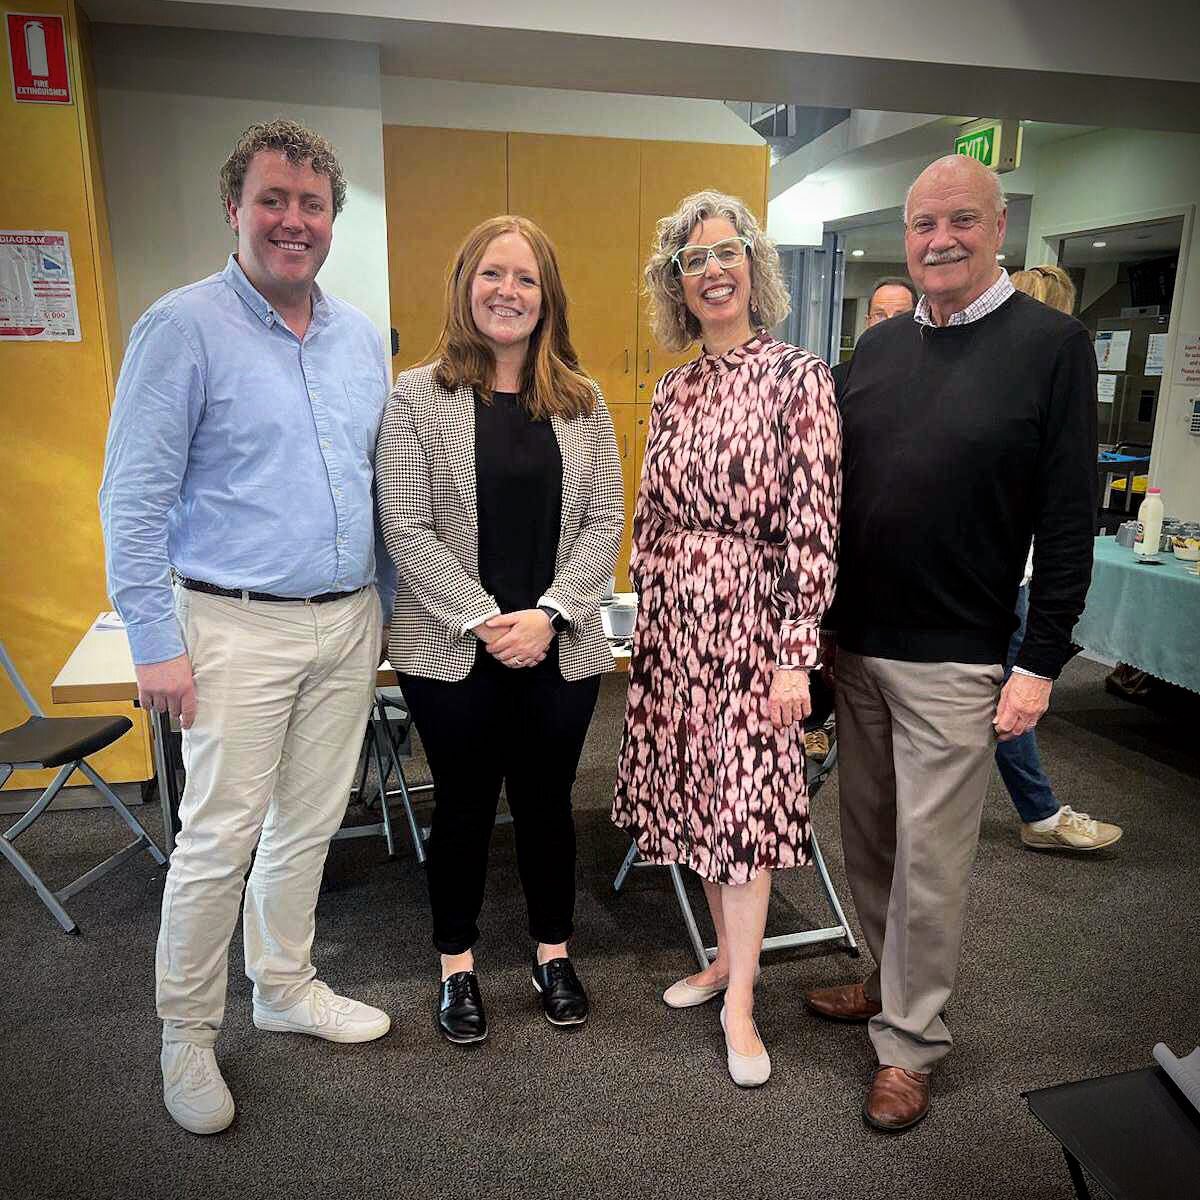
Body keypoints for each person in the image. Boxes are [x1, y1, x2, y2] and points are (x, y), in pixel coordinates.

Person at [99, 119, 395, 1136]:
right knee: (217, 838)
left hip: (347, 621)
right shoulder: (180, 328)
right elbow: (131, 501)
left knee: (308, 824)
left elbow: (376, 487)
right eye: (273, 200)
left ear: (331, 219)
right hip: (231, 626)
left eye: (312, 205)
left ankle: (283, 984)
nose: (293, 221)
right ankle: (185, 1037)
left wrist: (387, 611)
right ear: (235, 209)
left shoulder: (360, 336)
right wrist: (154, 640)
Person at [806, 155, 1097, 1131]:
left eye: (961, 221)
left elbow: (1066, 521)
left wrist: (1041, 662)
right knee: (872, 840)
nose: (941, 239)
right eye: (924, 223)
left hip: (961, 659)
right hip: (861, 648)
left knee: (934, 863)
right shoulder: (878, 351)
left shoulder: (1052, 347)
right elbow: (836, 501)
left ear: (1000, 225)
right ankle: (890, 994)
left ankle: (912, 1043)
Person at [375, 215, 622, 1047]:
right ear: (464, 285)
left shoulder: (583, 401)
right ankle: (457, 963)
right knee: (466, 806)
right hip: (452, 649)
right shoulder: (416, 396)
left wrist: (549, 615)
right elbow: (405, 527)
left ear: (546, 294)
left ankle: (553, 953)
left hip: (560, 644)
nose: (508, 292)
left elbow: (604, 522)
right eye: (492, 275)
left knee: (549, 803)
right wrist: (488, 622)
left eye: (525, 278)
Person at [612, 190, 841, 1087]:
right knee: (701, 806)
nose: (711, 270)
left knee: (744, 813)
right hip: (677, 630)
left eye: (725, 252)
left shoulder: (798, 377)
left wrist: (794, 653)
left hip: (753, 629)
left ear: (754, 264)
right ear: (677, 282)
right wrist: (651, 620)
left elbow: (813, 529)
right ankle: (718, 958)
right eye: (692, 260)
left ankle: (743, 1000)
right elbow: (652, 517)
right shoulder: (674, 385)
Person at [1002, 265, 1122, 853]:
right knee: (1005, 705)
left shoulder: (1058, 372)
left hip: (1017, 577)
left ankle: (1041, 812)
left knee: (1010, 698)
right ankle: (1041, 815)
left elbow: (1066, 516)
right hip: (997, 584)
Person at [828, 276, 919, 393]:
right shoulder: (839, 379)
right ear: (868, 322)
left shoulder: (930, 377)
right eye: (880, 315)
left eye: (900, 315)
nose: (889, 323)